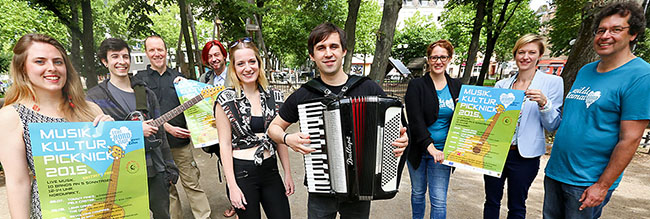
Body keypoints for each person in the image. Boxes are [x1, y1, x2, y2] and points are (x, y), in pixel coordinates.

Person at [267, 22, 409, 219]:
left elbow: (399, 131)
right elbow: (273, 128)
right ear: (312, 56)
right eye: (321, 48)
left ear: (344, 51)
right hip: (321, 187)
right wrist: (287, 138)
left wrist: (402, 141)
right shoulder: (305, 94)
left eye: (333, 46)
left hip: (360, 186)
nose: (328, 53)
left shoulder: (368, 89)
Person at [543, 2, 650, 218]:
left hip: (586, 182)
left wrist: (602, 186)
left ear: (633, 34)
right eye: (601, 30)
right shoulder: (585, 70)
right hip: (556, 172)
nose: (605, 35)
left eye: (616, 29)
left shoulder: (641, 76)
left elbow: (630, 139)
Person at [0, 33, 113, 218]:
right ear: (23, 68)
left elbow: (112, 166)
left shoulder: (90, 109)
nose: (52, 68)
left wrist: (113, 135)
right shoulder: (12, 117)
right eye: (40, 61)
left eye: (58, 62)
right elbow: (18, 182)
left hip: (98, 210)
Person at [86, 38, 180, 219]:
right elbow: (93, 139)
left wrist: (170, 167)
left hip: (154, 169)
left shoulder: (145, 93)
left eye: (125, 56)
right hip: (120, 173)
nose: (121, 61)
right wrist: (135, 130)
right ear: (105, 62)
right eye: (115, 57)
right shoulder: (94, 97)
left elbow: (160, 132)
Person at [213, 38, 293, 219]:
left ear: (259, 63)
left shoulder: (274, 96)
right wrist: (232, 186)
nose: (247, 68)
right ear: (233, 68)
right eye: (240, 63)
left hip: (271, 170)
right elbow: (224, 145)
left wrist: (287, 173)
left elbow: (279, 138)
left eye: (252, 61)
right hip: (243, 173)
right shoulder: (225, 100)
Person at [485, 34, 563, 219]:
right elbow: (488, 118)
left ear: (539, 55)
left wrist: (544, 103)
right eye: (521, 52)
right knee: (491, 201)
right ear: (515, 55)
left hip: (525, 156)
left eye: (531, 52)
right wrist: (469, 106)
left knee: (517, 205)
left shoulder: (552, 83)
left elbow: (553, 124)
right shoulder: (501, 85)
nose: (525, 57)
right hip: (495, 152)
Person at [134, 35, 212, 219]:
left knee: (192, 183)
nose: (156, 53)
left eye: (160, 49)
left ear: (166, 51)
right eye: (152, 50)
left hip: (180, 143)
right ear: (146, 53)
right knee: (167, 188)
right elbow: (141, 112)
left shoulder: (179, 77)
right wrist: (167, 127)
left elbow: (195, 108)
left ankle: (204, 216)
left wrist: (187, 87)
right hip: (156, 146)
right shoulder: (139, 79)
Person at [403, 39, 461, 219]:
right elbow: (415, 120)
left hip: (444, 152)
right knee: (418, 193)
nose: (438, 61)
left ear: (450, 58)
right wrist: (431, 148)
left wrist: (463, 111)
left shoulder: (457, 87)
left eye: (443, 57)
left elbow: (464, 123)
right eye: (434, 57)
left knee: (438, 200)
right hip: (419, 150)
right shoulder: (417, 85)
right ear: (428, 59)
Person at [198, 39, 236, 218]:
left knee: (243, 169)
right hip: (218, 134)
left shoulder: (235, 72)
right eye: (210, 56)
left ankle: (246, 206)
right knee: (228, 169)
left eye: (216, 54)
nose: (214, 59)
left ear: (223, 55)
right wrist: (182, 83)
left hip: (239, 131)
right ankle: (236, 204)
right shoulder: (204, 79)